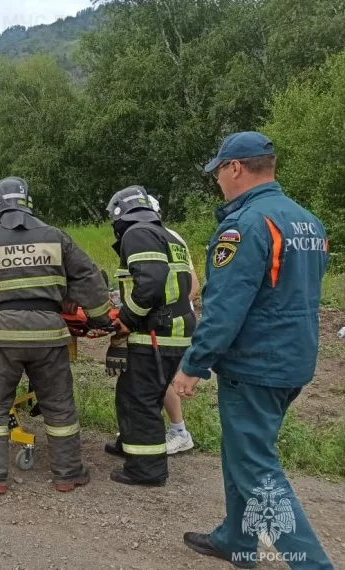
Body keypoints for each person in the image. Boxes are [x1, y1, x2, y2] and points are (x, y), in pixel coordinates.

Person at [173, 132, 333, 568]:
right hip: (293, 360)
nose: (218, 182)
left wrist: (194, 363)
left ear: (236, 167)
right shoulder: (306, 221)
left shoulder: (245, 225)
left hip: (255, 365)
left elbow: (226, 308)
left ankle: (313, 564)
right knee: (243, 452)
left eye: (219, 172)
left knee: (257, 469)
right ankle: (237, 541)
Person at [0, 176, 112, 495]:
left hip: (0, 338)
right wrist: (100, 319)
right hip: (49, 335)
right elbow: (87, 275)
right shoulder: (56, 237)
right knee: (59, 406)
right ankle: (68, 474)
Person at [103, 185, 196, 487]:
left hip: (155, 333)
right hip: (175, 332)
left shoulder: (137, 233)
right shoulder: (166, 235)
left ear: (120, 214)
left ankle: (146, 470)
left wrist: (126, 319)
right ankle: (130, 444)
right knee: (143, 395)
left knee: (138, 400)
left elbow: (151, 283)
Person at [147, 195, 199, 455]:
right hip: (182, 320)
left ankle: (180, 432)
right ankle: (147, 428)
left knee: (161, 379)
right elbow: (194, 285)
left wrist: (166, 313)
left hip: (169, 324)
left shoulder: (148, 239)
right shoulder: (174, 237)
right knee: (156, 378)